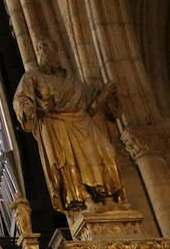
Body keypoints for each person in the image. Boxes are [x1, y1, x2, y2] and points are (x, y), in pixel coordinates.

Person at [12, 39, 124, 211]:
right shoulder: (32, 77)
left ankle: (108, 196)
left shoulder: (70, 79)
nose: (46, 55)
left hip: (81, 121)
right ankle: (84, 199)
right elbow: (20, 100)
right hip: (56, 124)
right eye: (42, 51)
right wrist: (31, 109)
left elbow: (91, 107)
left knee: (107, 153)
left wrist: (107, 94)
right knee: (70, 165)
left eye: (49, 51)